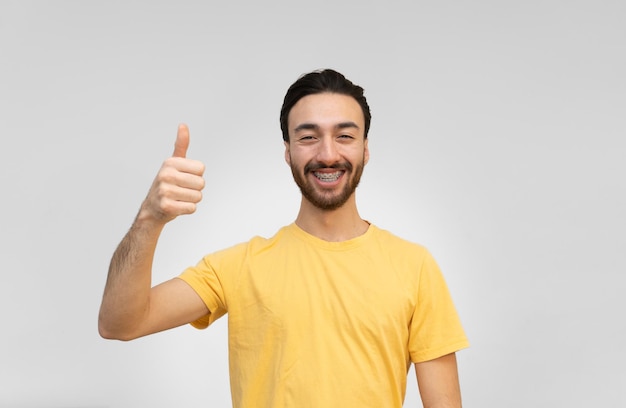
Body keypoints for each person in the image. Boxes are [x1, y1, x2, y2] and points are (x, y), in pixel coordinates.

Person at [99, 69, 469, 407]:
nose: (327, 153)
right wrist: (150, 218)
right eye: (308, 137)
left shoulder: (414, 266)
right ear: (288, 152)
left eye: (344, 136)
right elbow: (120, 324)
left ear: (365, 149)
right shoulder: (237, 267)